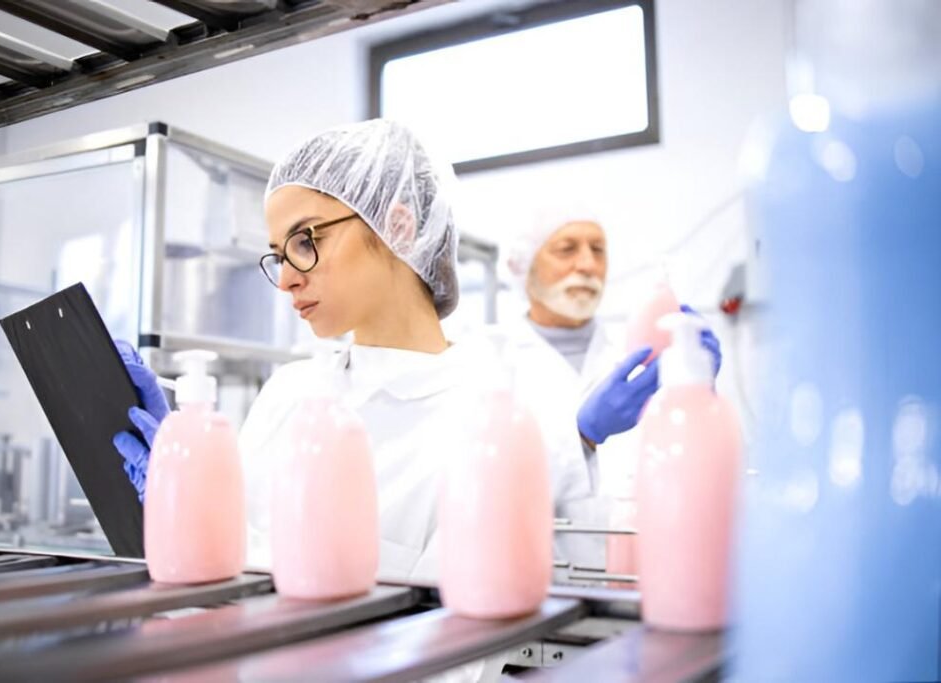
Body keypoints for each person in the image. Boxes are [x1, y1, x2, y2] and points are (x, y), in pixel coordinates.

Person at [112, 119, 593, 584]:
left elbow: (450, 629)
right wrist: (183, 498)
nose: (286, 278)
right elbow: (230, 559)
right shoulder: (288, 392)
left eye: (305, 241)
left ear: (398, 228)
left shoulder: (489, 419)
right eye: (278, 255)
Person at [504, 206, 722, 562]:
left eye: (598, 250)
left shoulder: (640, 351)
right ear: (521, 266)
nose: (587, 264)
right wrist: (582, 436)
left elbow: (689, 473)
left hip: (643, 575)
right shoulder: (488, 361)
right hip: (541, 581)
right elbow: (486, 492)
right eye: (567, 249)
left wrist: (701, 395)